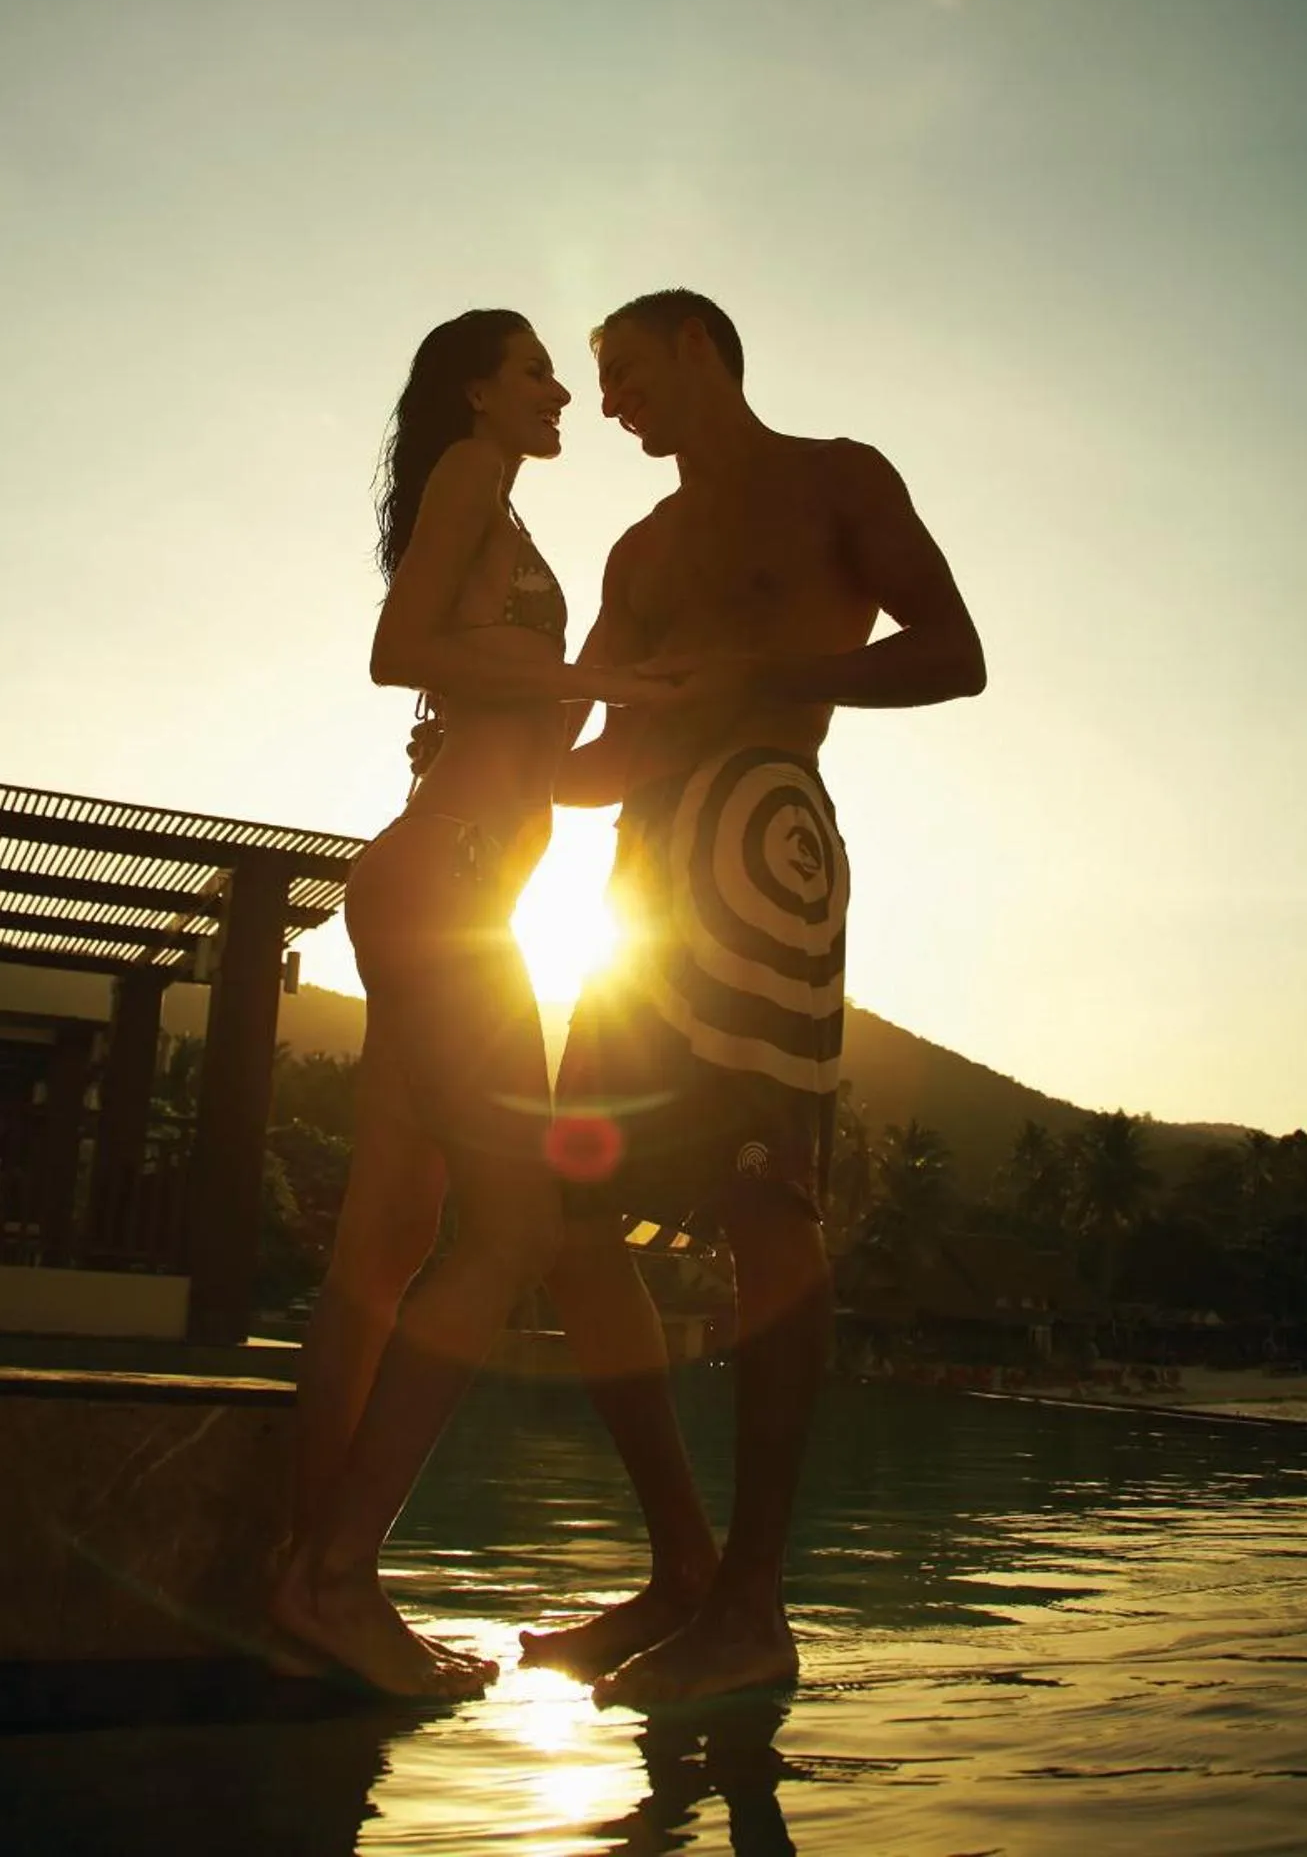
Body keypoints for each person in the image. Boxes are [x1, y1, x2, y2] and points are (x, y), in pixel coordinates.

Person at [522, 287, 986, 1707]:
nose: (609, 405)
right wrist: (507, 741)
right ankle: (681, 1564)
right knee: (567, 1207)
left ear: (702, 348)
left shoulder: (838, 480)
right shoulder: (637, 548)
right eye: (597, 384)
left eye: (625, 370)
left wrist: (754, 678)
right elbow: (595, 756)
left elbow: (955, 654)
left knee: (762, 1198)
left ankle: (757, 1600)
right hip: (639, 878)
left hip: (765, 831)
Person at [267, 308, 662, 1696]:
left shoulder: (500, 514)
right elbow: (399, 646)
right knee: (514, 1226)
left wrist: (652, 716)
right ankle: (332, 1577)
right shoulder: (469, 481)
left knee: (384, 1243)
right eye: (537, 368)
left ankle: (307, 1575)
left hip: (455, 889)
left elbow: (538, 758)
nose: (561, 390)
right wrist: (593, 676)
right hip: (447, 898)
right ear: (479, 391)